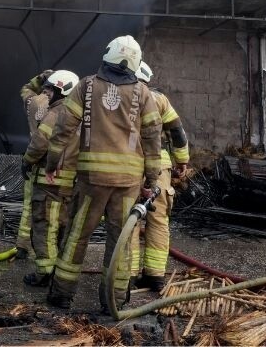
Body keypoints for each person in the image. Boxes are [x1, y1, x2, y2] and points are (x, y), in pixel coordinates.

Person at [42, 35, 163, 312]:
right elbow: (153, 137)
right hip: (127, 183)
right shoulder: (143, 93)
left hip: (91, 180)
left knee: (77, 235)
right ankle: (114, 300)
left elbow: (63, 128)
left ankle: (61, 294)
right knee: (121, 241)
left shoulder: (86, 86)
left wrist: (52, 162)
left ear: (107, 55)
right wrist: (152, 179)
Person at [129, 62, 190, 292]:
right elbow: (177, 132)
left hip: (130, 163)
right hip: (161, 166)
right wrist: (182, 160)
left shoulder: (122, 96)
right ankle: (155, 276)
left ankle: (128, 276)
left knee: (130, 219)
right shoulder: (160, 99)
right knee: (158, 220)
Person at [20, 70, 80, 287]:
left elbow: (40, 143)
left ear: (59, 92)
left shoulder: (56, 113)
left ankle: (45, 273)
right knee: (62, 227)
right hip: (70, 184)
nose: (47, 95)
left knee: (44, 226)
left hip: (49, 181)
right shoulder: (82, 115)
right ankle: (57, 271)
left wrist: (27, 161)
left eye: (50, 91)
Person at [14, 70, 53, 259]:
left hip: (32, 161)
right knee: (50, 210)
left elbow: (26, 89)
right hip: (52, 164)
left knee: (29, 205)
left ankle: (23, 246)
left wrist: (40, 77)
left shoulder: (33, 102)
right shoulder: (61, 107)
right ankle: (47, 250)